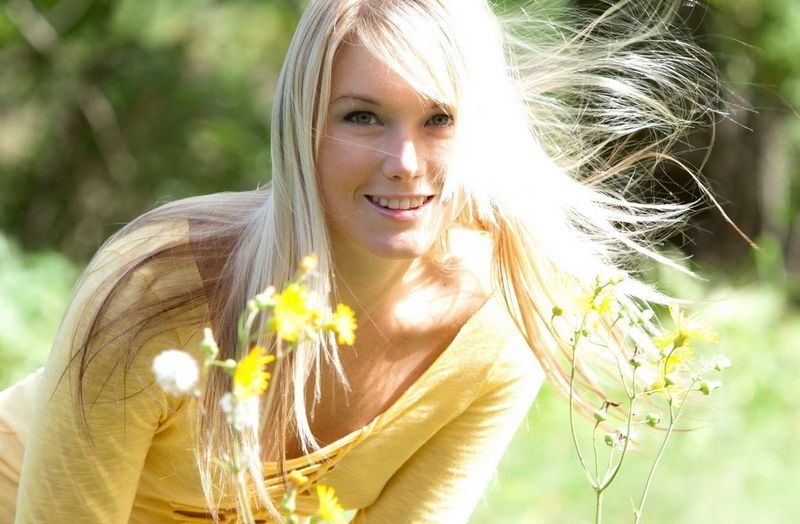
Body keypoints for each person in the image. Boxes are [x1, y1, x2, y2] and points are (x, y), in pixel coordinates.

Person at [0, 0, 727, 521]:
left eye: (439, 119)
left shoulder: (497, 329)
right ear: (301, 129)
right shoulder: (154, 288)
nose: (405, 162)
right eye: (362, 116)